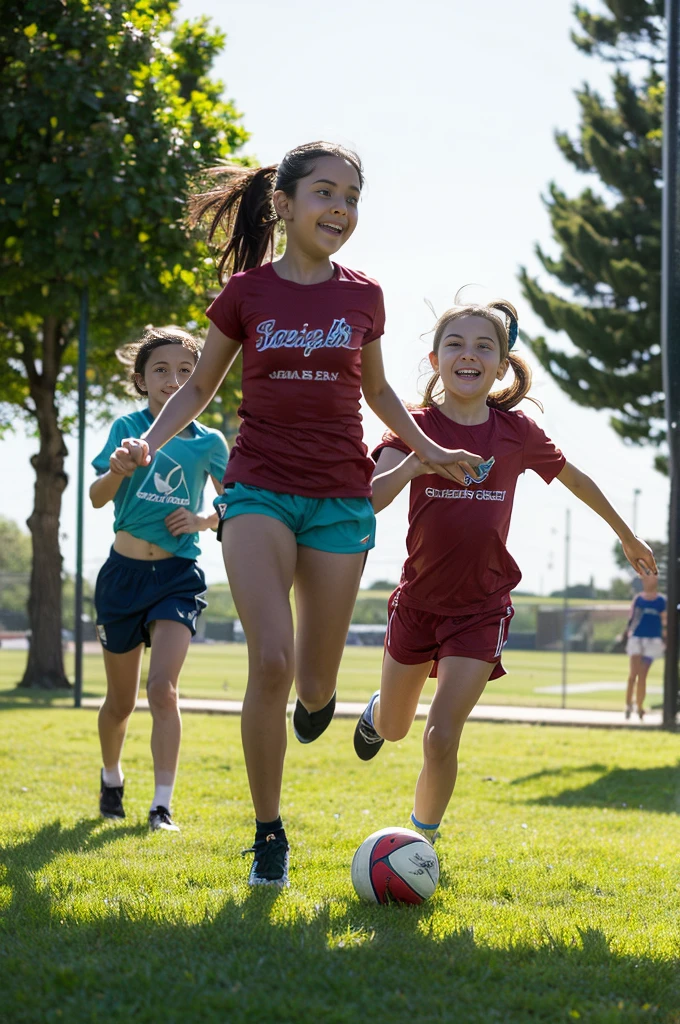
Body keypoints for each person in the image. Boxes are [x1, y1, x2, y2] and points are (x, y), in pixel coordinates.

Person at [115, 141, 483, 887]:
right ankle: (268, 832)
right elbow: (196, 391)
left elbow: (379, 396)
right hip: (257, 489)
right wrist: (148, 445)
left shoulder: (363, 295)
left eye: (351, 196)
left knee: (313, 685)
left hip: (340, 501)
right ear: (283, 204)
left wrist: (427, 447)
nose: (340, 208)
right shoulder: (246, 294)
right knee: (271, 663)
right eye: (325, 192)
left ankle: (322, 702)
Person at [353, 297, 657, 846]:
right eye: (455, 344)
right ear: (434, 358)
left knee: (440, 734)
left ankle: (422, 845)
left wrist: (626, 534)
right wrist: (418, 461)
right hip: (417, 603)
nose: (468, 355)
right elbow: (368, 499)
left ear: (500, 366)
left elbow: (576, 478)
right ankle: (378, 710)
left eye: (483, 347)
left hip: (482, 607)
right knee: (396, 728)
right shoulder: (413, 426)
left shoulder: (516, 433)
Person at [91, 327, 228, 832]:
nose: (174, 380)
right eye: (161, 370)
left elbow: (235, 499)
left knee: (162, 688)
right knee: (121, 702)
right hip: (122, 577)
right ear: (142, 379)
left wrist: (204, 519)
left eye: (186, 372)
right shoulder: (127, 428)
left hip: (177, 575)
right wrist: (120, 469)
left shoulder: (208, 442)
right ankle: (111, 778)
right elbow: (97, 497)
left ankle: (161, 807)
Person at [625, 573, 666, 720]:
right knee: (633, 675)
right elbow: (632, 619)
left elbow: (665, 621)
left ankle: (640, 706)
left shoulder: (661, 601)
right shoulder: (639, 600)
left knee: (642, 676)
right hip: (637, 640)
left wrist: (665, 638)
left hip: (652, 642)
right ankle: (628, 704)